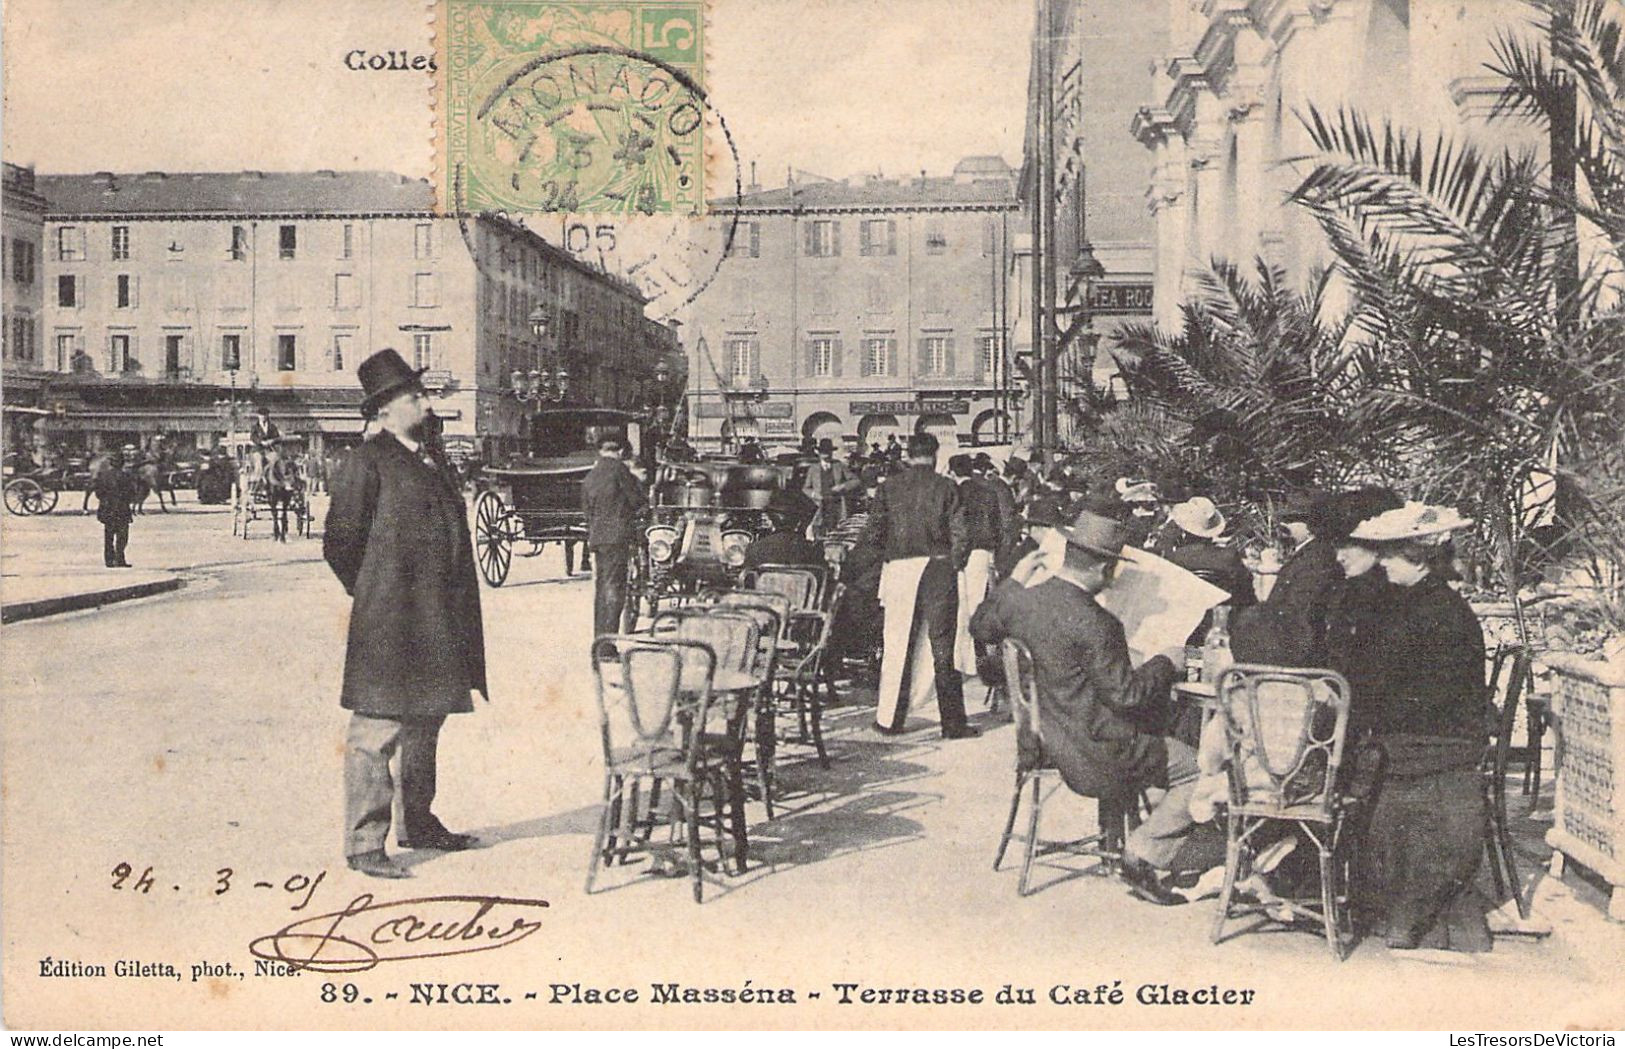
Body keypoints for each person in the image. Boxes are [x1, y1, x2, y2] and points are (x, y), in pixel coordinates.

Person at [970, 510, 1192, 906]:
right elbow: (1127, 696)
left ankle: (1119, 838)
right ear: (1106, 568)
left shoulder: (1023, 601)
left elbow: (982, 626)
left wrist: (1016, 579)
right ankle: (1142, 853)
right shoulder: (1099, 622)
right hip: (1094, 752)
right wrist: (1165, 663)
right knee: (1199, 769)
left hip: (1044, 740)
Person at [323, 348, 488, 879]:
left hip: (438, 616)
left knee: (426, 722)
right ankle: (365, 843)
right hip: (391, 618)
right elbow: (340, 542)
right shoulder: (366, 461)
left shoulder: (430, 456)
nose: (423, 401)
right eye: (413, 396)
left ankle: (418, 822)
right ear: (386, 410)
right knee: (377, 728)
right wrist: (375, 589)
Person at [1346, 502, 1490, 951]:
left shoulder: (1437, 612)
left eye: (1391, 554)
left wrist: (1360, 705)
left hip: (1436, 741)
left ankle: (1374, 897)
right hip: (1421, 727)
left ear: (1420, 557)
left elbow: (1426, 697)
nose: (1382, 561)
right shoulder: (1414, 600)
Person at [861, 432, 978, 739]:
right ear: (935, 455)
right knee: (943, 648)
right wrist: (953, 564)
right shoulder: (947, 487)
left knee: (898, 643)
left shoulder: (888, 488)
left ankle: (890, 720)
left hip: (900, 568)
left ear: (907, 456)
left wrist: (886, 561)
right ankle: (953, 724)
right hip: (939, 567)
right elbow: (961, 534)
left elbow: (873, 534)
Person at [1231, 489, 1339, 667]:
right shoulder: (1308, 553)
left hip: (1296, 655)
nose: (1283, 524)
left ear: (1311, 525)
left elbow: (1302, 610)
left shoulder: (1316, 558)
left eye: (1291, 520)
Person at [952, 453, 1020, 675]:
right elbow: (1000, 526)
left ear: (952, 472)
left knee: (961, 607)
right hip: (985, 553)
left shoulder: (955, 493)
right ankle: (980, 661)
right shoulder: (988, 491)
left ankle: (964, 661)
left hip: (963, 553)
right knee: (978, 605)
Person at [580, 434, 647, 637]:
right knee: (614, 591)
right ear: (620, 452)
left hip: (598, 539)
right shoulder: (620, 470)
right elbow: (636, 501)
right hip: (616, 539)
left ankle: (600, 639)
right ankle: (607, 646)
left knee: (601, 590)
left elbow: (587, 512)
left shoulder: (591, 475)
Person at [1162, 496, 1257, 633]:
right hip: (1221, 626)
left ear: (1183, 530)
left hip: (1186, 627)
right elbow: (1247, 596)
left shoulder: (1176, 559)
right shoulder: (1228, 557)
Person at [743, 488, 825, 570]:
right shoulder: (813, 551)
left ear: (771, 518)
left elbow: (749, 580)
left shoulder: (754, 550)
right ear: (798, 521)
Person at [802, 438, 860, 538]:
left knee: (838, 532)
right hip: (820, 506)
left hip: (837, 505)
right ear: (819, 453)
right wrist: (814, 494)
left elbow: (856, 480)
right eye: (823, 451)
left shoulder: (839, 465)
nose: (826, 454)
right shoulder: (813, 468)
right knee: (818, 533)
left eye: (828, 451)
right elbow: (806, 488)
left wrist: (843, 486)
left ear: (831, 452)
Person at [93, 450, 137, 568]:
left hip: (108, 509)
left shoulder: (103, 475)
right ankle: (120, 559)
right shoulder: (126, 476)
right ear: (122, 463)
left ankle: (109, 560)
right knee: (122, 536)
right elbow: (132, 493)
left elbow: (98, 492)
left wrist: (105, 501)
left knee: (109, 536)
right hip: (122, 509)